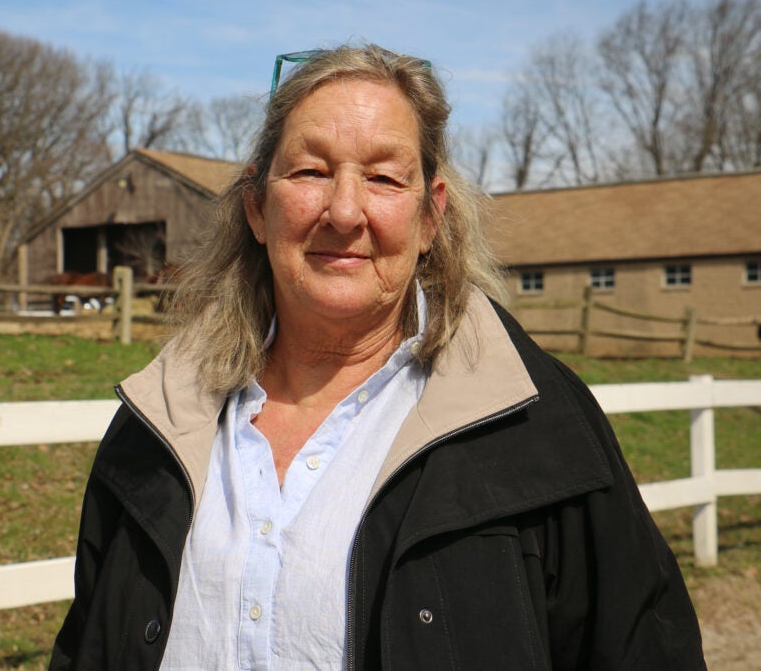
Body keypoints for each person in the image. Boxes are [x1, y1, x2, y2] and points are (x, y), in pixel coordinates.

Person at [49, 43, 705, 670]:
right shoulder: (161, 423)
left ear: (428, 218)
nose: (343, 210)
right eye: (309, 171)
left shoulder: (539, 425)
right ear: (256, 207)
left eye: (385, 178)